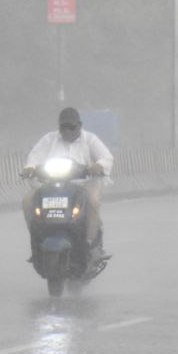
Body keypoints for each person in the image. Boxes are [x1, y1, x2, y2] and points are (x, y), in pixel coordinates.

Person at [21, 107, 114, 253]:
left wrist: (98, 165)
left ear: (79, 125)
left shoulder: (90, 139)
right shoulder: (49, 139)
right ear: (59, 127)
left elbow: (107, 157)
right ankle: (36, 239)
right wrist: (30, 167)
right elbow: (34, 157)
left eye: (72, 127)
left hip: (83, 184)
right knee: (27, 201)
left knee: (93, 200)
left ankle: (90, 242)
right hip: (50, 185)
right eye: (64, 127)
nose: (68, 131)